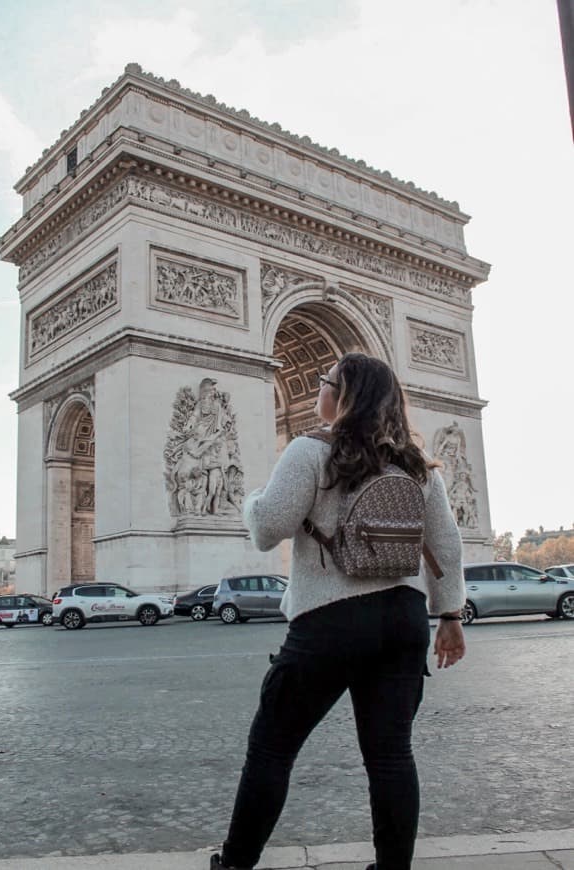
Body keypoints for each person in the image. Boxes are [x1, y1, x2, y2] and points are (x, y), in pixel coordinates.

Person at [211, 353, 466, 870]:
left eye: (323, 383)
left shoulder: (310, 451)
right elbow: (447, 544)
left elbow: (267, 529)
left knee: (272, 748)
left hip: (329, 620)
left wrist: (252, 499)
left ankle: (236, 864)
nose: (314, 392)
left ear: (342, 396)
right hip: (403, 620)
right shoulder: (416, 466)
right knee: (391, 755)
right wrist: (451, 616)